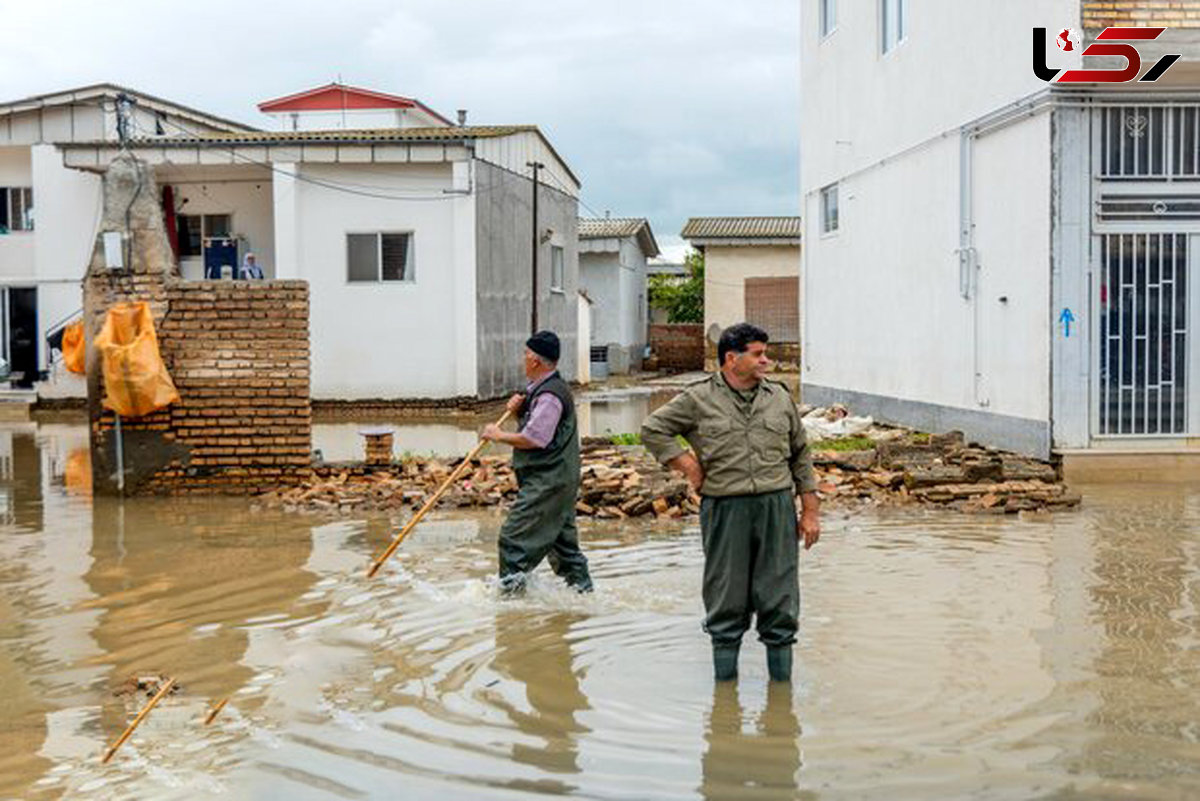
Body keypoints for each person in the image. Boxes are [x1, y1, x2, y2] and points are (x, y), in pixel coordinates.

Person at [640, 323, 820, 682]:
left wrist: (810, 511)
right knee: (726, 596)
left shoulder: (779, 397)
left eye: (765, 353)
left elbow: (801, 454)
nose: (766, 360)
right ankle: (725, 701)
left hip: (776, 508)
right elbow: (652, 429)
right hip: (725, 509)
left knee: (780, 596)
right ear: (731, 358)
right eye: (758, 354)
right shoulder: (698, 398)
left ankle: (779, 697)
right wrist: (687, 464)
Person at [481, 330, 593, 594]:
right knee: (564, 547)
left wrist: (498, 435)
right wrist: (520, 409)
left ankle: (511, 605)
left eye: (525, 354)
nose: (522, 359)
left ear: (535, 361)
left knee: (513, 539)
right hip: (556, 479)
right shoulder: (542, 391)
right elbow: (540, 428)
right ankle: (584, 598)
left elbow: (535, 438)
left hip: (549, 481)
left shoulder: (550, 395)